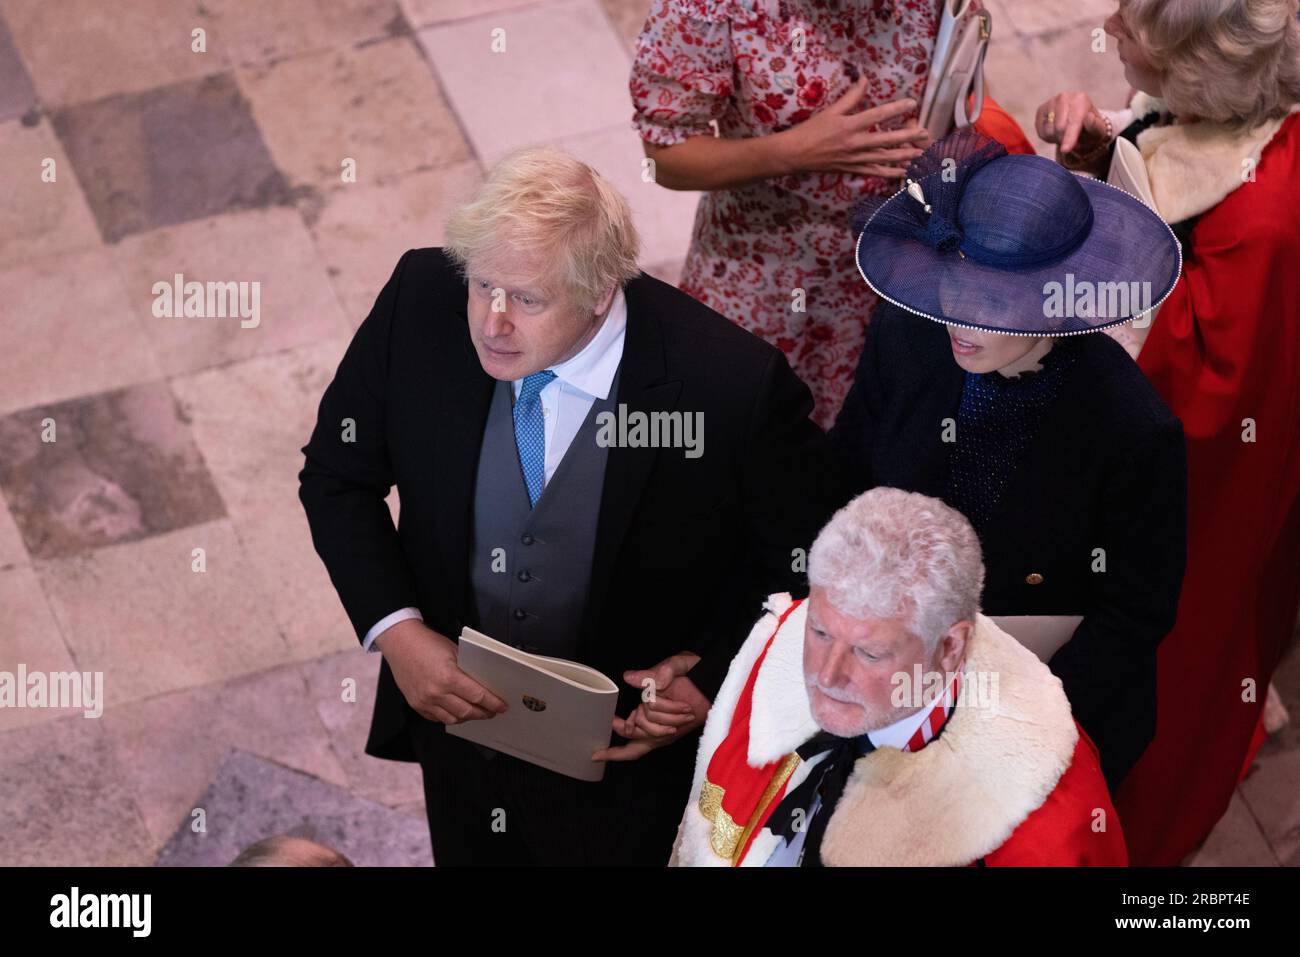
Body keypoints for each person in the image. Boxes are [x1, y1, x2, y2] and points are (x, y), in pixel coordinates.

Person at [297, 146, 835, 865]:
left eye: (526, 299)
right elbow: (336, 475)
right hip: (457, 736)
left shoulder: (730, 386)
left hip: (627, 766)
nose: (492, 322)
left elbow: (812, 561)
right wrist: (397, 633)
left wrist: (710, 679)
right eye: (482, 284)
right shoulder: (418, 298)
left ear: (601, 291)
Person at [829, 128, 1187, 789]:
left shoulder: (1133, 430)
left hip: (1036, 718)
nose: (961, 319)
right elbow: (845, 479)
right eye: (957, 284)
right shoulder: (909, 331)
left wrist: (1002, 718)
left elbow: (1134, 615)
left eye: (996, 303)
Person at [1036, 0, 1300, 864]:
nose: (1107, 22)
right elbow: (1159, 168)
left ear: (1197, 73)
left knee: (1171, 677)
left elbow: (1210, 389)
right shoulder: (1221, 116)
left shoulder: (1265, 220)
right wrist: (1097, 157)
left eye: (1133, 23)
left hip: (1200, 496)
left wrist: (1093, 243)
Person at [629, 0, 1034, 427]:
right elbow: (665, 155)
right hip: (762, 264)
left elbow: (959, 80)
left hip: (896, 259)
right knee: (744, 424)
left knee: (866, 425)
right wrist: (794, 152)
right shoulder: (710, 8)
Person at [671, 488, 1128, 867]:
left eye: (869, 653)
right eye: (821, 632)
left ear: (949, 648)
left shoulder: (1048, 826)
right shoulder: (781, 643)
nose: (826, 676)